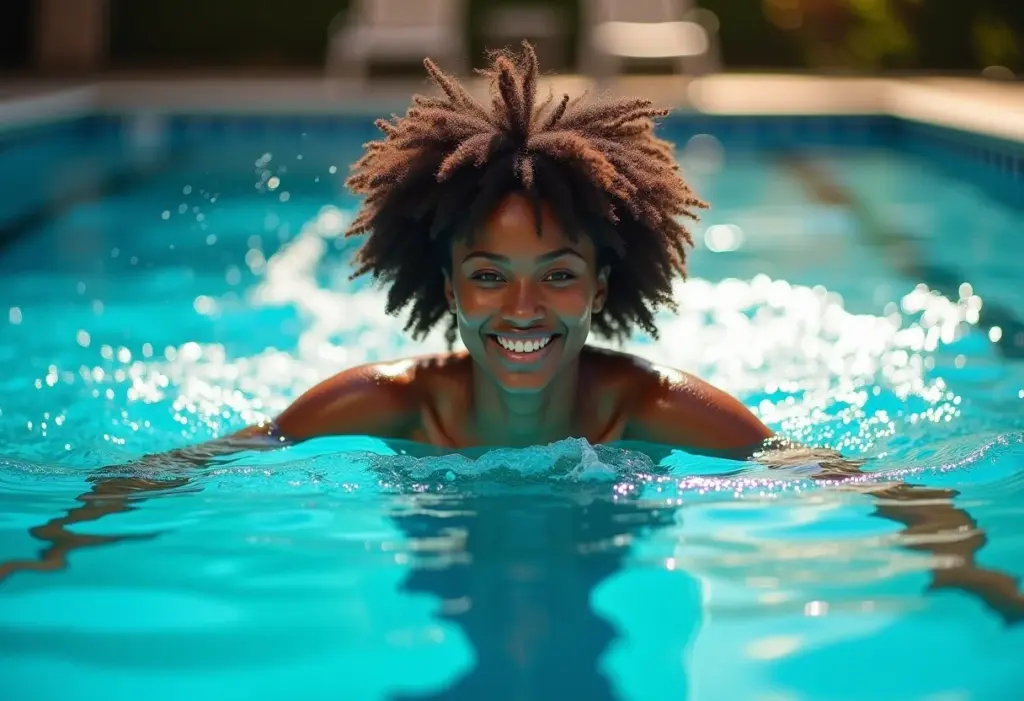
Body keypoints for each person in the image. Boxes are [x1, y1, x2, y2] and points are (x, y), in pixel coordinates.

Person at [2, 43, 1023, 626]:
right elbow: (179, 467)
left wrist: (969, 566)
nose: (522, 309)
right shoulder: (384, 401)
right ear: (443, 282)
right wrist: (46, 552)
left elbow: (869, 482)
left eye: (557, 275)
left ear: (601, 286)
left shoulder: (650, 405)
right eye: (487, 276)